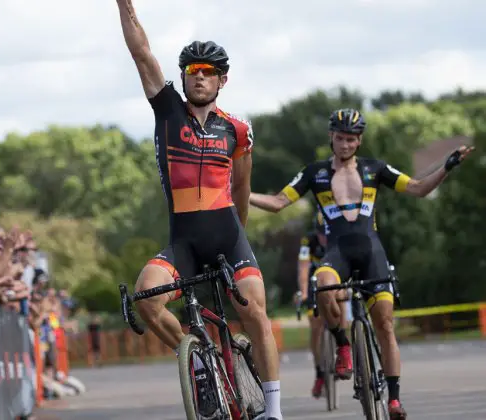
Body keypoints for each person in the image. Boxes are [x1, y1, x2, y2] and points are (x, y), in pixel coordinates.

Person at [248, 108, 474, 419]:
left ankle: (394, 400)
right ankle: (343, 345)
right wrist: (238, 193)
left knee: (385, 325)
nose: (344, 144)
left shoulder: (375, 169)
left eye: (351, 139)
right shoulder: (314, 173)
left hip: (372, 253)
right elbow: (277, 203)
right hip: (337, 253)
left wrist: (447, 167)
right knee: (323, 284)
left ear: (359, 141)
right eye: (340, 138)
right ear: (331, 137)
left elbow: (418, 189)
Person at [115, 3, 282, 418]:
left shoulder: (237, 130)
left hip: (229, 238)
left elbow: (242, 187)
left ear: (222, 80)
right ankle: (200, 361)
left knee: (255, 314)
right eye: (193, 71)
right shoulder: (168, 110)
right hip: (184, 242)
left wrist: (239, 240)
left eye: (208, 71)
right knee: (145, 298)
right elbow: (141, 52)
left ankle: (274, 410)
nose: (200, 77)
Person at [296, 210, 350, 398]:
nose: (323, 238)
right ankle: (320, 372)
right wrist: (303, 292)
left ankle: (343, 348)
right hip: (314, 285)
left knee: (342, 296)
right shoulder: (308, 242)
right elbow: (303, 267)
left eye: (325, 234)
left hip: (337, 282)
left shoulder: (339, 237)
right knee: (316, 327)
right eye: (320, 234)